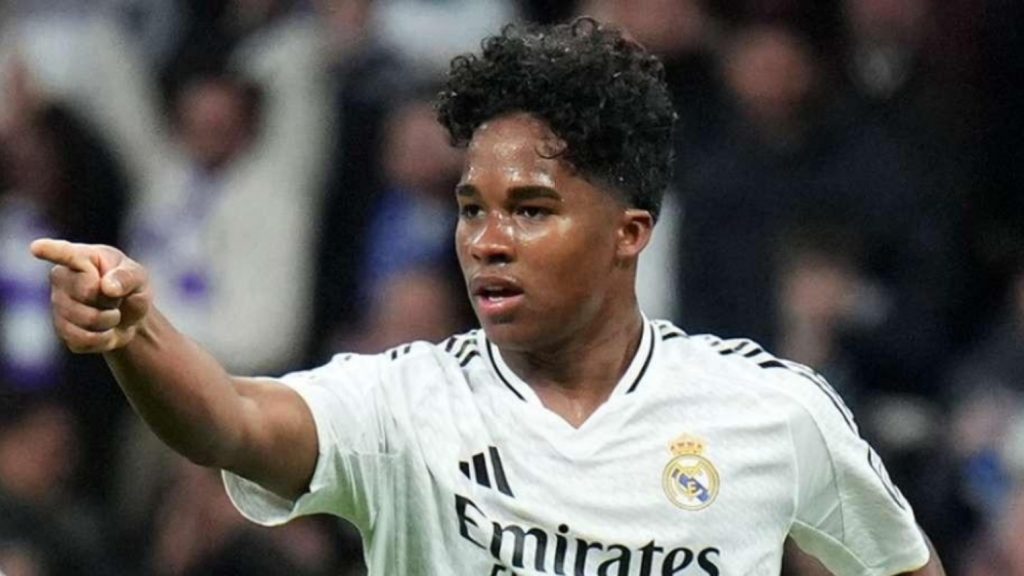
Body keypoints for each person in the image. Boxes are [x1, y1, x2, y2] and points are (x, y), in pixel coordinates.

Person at [31, 17, 945, 575]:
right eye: (472, 209)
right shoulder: (403, 403)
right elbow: (228, 420)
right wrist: (133, 333)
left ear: (628, 234)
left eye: (531, 210)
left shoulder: (768, 409)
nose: (487, 241)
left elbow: (898, 565)